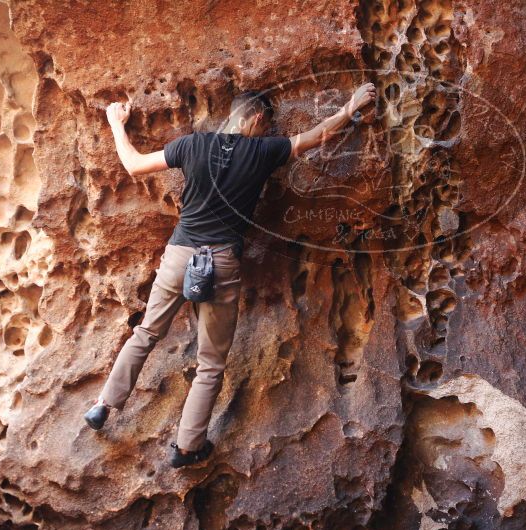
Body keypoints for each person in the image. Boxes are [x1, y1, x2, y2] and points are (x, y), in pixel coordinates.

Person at [83, 82, 376, 468]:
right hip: (220, 262)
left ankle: (104, 405)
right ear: (256, 119)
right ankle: (187, 448)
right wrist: (350, 106)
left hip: (179, 255)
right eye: (267, 126)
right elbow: (319, 134)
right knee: (210, 362)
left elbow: (134, 165)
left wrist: (116, 124)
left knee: (146, 333)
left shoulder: (192, 144)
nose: (268, 132)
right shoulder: (263, 151)